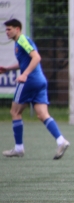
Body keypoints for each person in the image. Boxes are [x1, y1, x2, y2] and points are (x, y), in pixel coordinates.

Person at [0, 19, 69, 159]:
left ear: (18, 29)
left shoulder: (22, 40)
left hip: (29, 81)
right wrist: (8, 69)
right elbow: (26, 62)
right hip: (40, 80)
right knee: (42, 114)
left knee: (15, 111)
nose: (7, 32)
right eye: (6, 29)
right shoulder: (21, 42)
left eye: (10, 29)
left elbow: (36, 57)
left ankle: (19, 148)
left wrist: (24, 75)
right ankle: (61, 141)